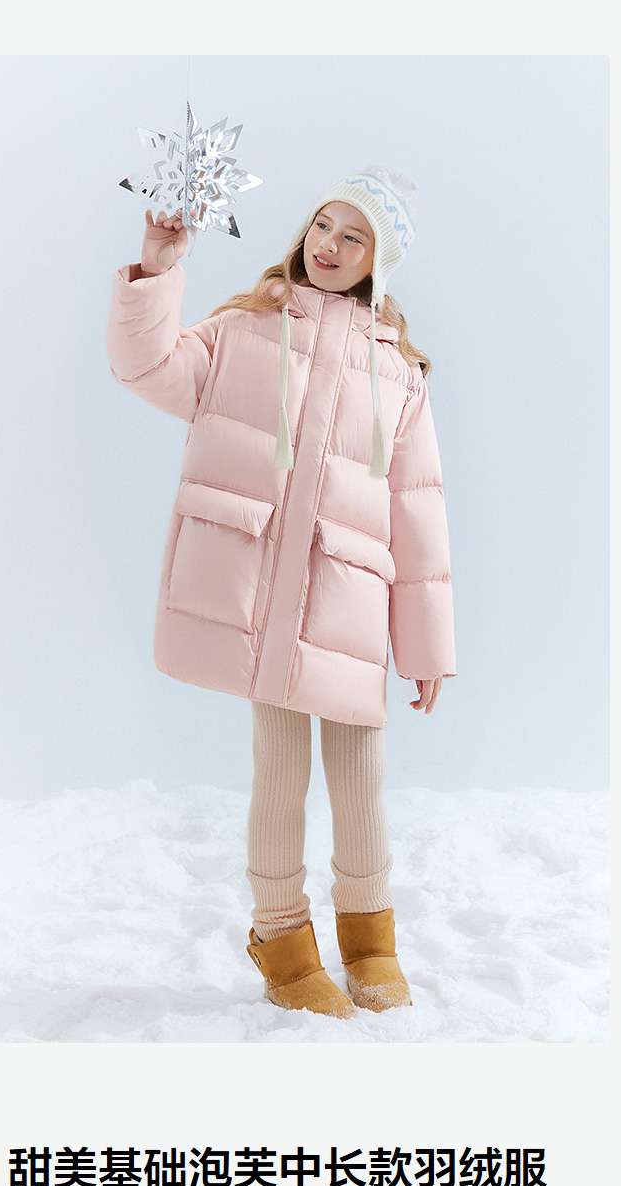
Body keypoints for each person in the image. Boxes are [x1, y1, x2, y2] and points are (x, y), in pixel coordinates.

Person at [105, 165, 456, 1019]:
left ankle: (371, 941)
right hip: (263, 597)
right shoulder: (244, 329)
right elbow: (145, 368)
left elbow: (418, 514)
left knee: (361, 777)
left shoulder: (399, 375)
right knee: (281, 769)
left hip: (348, 602)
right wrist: (155, 271)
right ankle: (282, 938)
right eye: (323, 226)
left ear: (379, 259)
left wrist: (427, 648)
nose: (329, 245)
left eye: (354, 236)